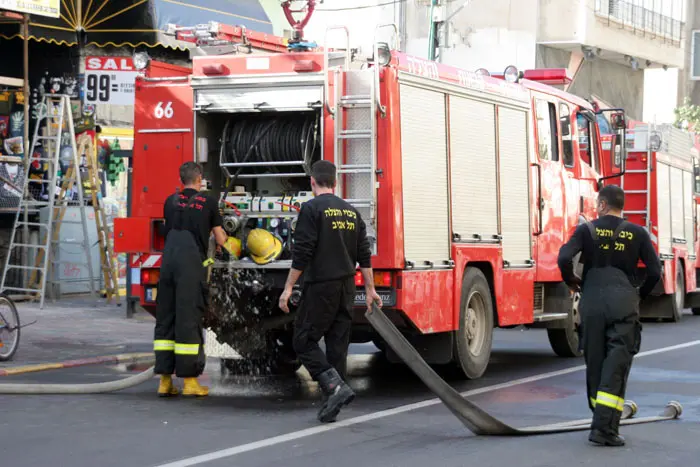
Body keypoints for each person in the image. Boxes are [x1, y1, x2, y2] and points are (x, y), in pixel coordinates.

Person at [278, 160, 382, 423]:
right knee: (337, 345)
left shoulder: (311, 209)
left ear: (313, 182)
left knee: (303, 340)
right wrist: (370, 289)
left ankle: (333, 387)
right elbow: (364, 255)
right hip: (347, 286)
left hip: (321, 285)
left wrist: (288, 287)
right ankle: (332, 403)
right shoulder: (351, 212)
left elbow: (302, 253)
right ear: (336, 183)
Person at [557, 184, 661, 446]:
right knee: (617, 362)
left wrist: (572, 280)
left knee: (595, 360)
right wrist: (639, 295)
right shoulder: (637, 232)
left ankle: (599, 418)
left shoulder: (586, 230)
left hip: (591, 300)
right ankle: (604, 427)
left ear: (602, 204)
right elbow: (655, 271)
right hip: (623, 302)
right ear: (621, 205)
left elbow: (563, 257)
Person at [154, 162, 227, 397]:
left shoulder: (170, 201)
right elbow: (220, 238)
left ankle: (165, 381)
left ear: (181, 179)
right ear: (200, 179)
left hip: (167, 265)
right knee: (188, 320)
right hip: (189, 267)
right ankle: (190, 382)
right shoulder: (209, 201)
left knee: (166, 318)